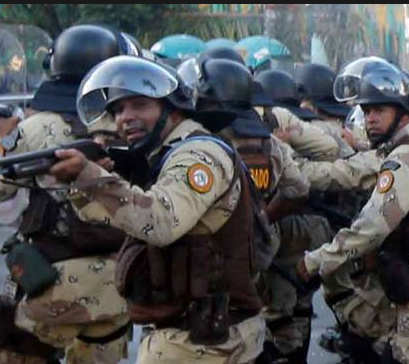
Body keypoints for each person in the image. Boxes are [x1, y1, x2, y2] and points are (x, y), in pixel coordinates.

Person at [51, 55, 266, 364]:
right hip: (192, 337)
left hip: (202, 344)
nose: (126, 117)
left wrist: (93, 178)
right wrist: (88, 183)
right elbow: (118, 220)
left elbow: (161, 222)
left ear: (173, 109)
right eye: (119, 109)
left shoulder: (197, 154)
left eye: (140, 104)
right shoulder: (167, 154)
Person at [0, 24, 133, 364]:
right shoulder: (130, 125)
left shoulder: (36, 126)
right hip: (116, 279)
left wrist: (1, 140)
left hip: (49, 278)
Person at [297, 60, 409, 364]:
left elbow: (372, 226)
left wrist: (318, 260)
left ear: (403, 113)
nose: (370, 120)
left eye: (379, 111)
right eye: (366, 112)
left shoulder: (405, 158)